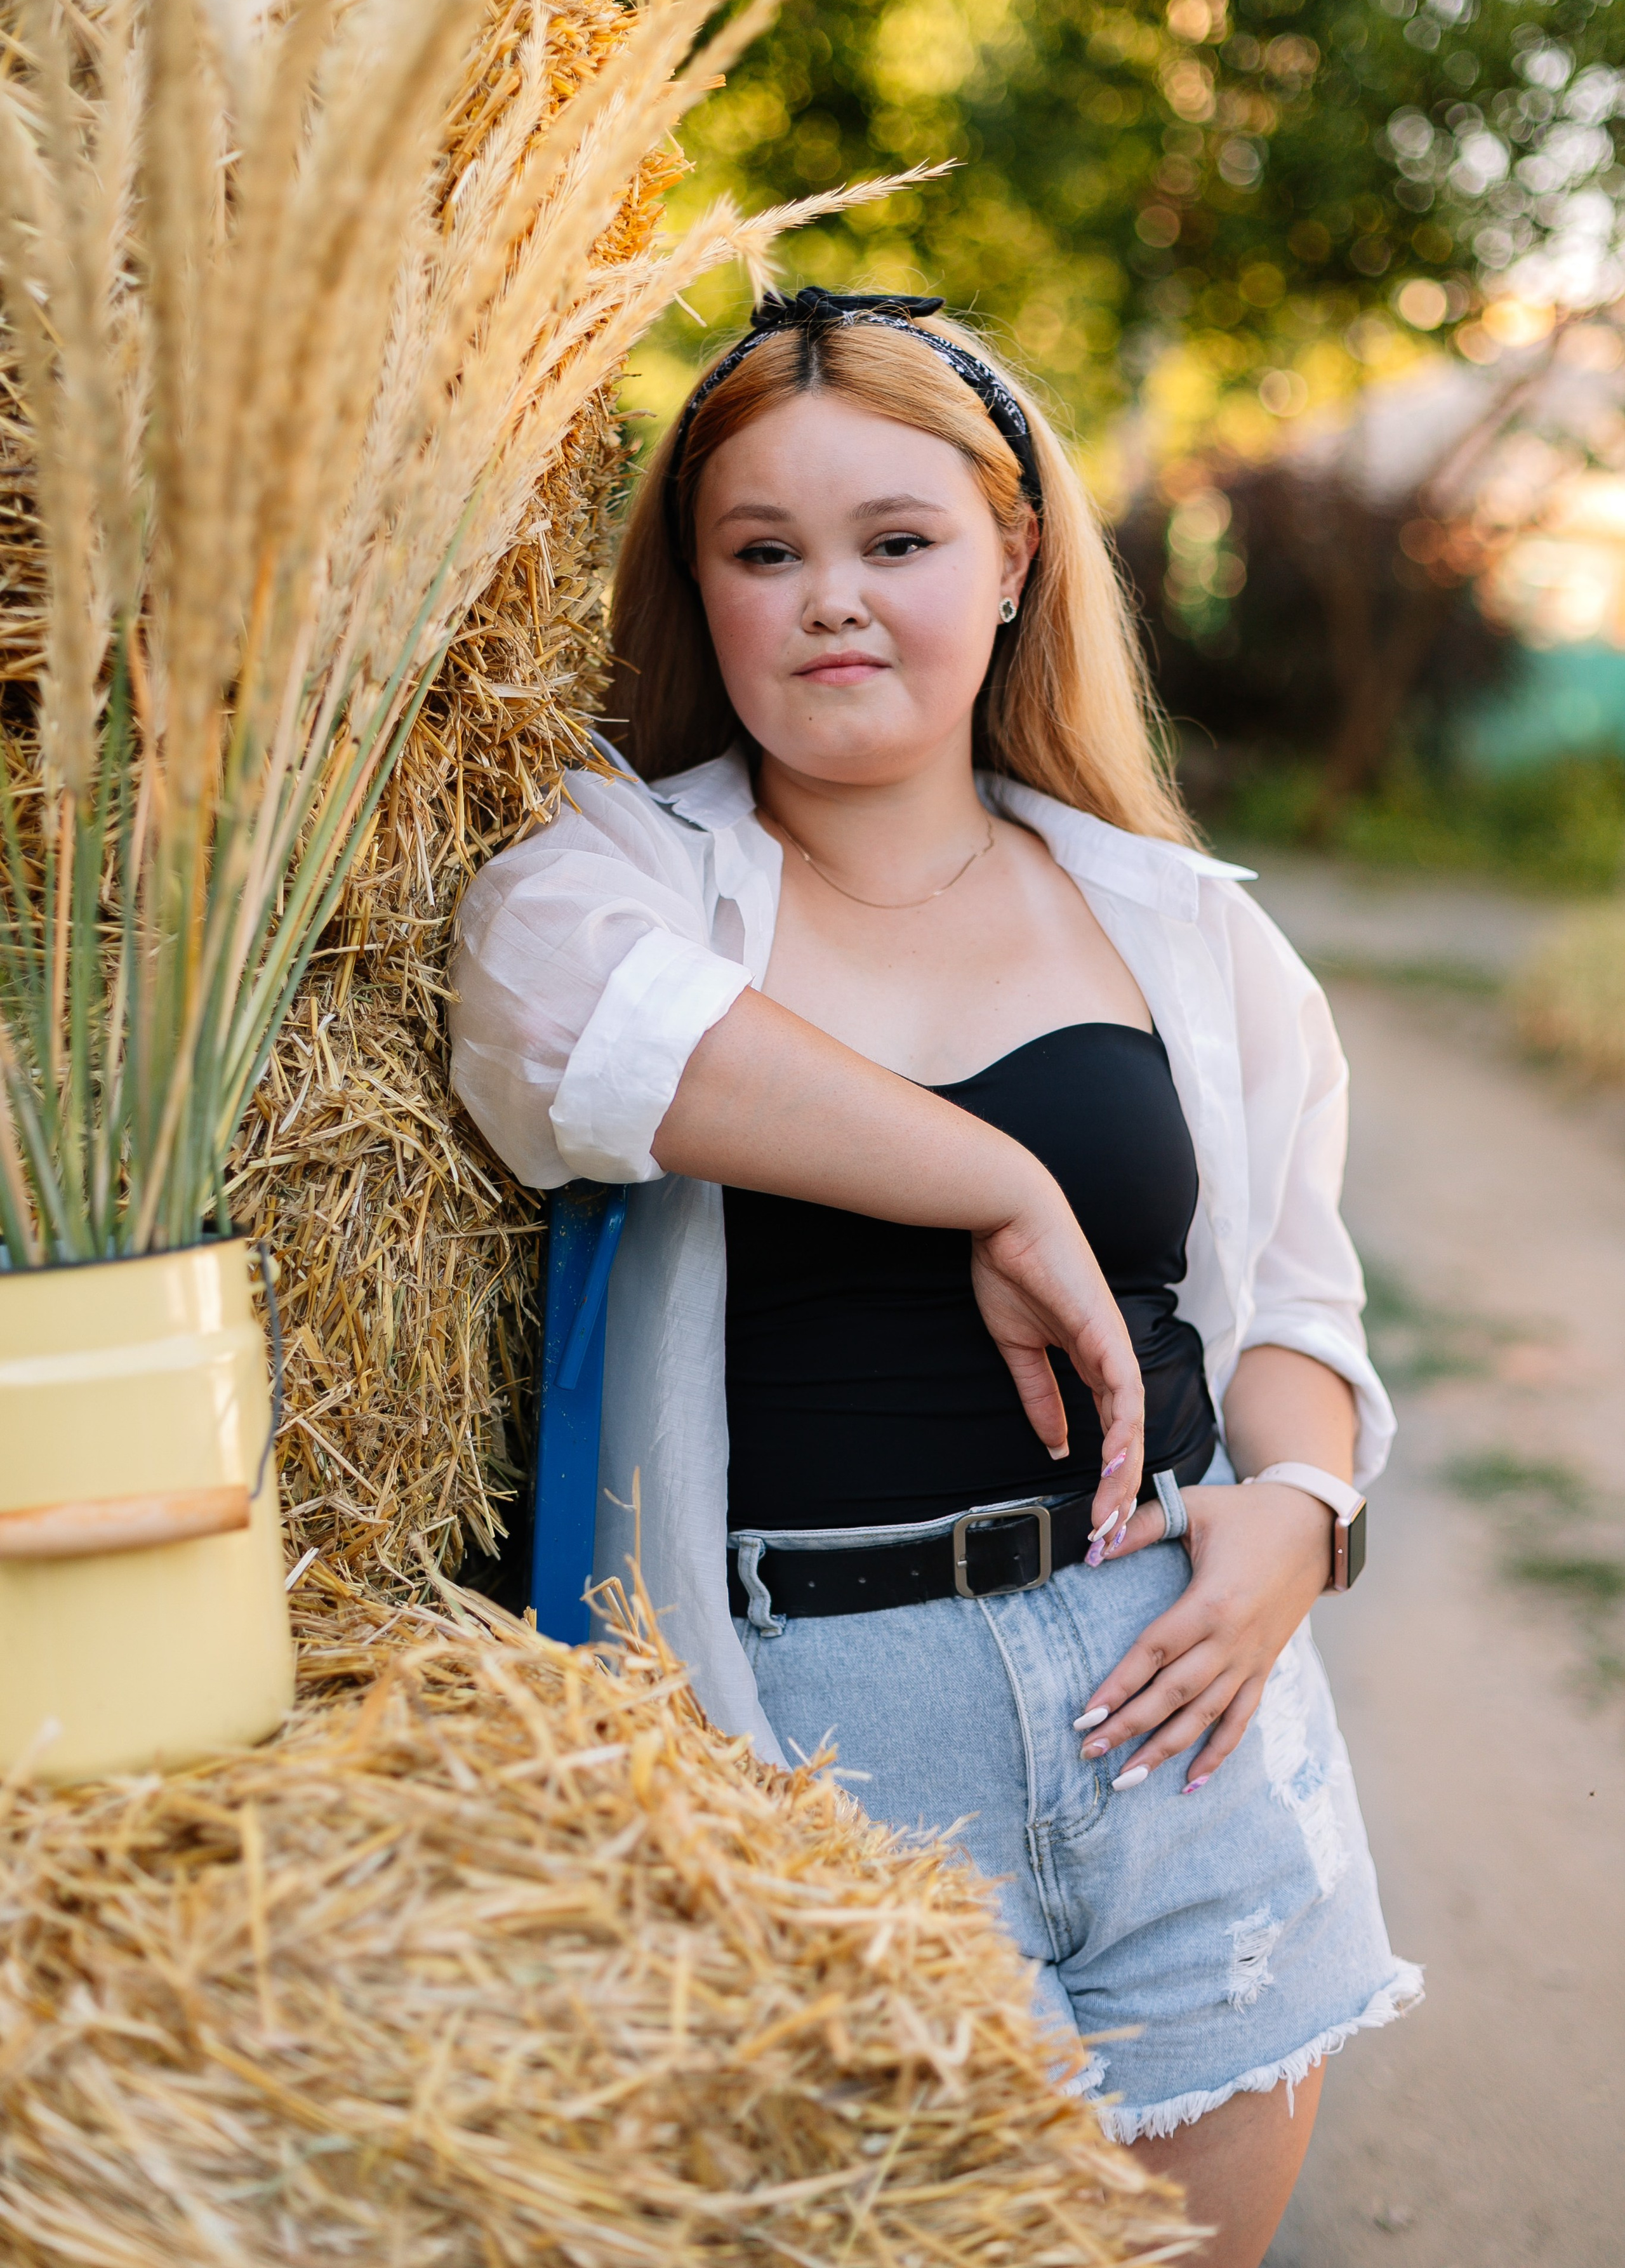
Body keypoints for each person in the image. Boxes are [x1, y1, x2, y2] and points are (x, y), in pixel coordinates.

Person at [449, 288, 1421, 2267]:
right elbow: (557, 1034)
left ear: (1013, 560)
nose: (831, 601)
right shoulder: (612, 873)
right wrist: (991, 1181)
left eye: (896, 542)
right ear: (700, 590)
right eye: (764, 552)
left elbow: (1302, 1312)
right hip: (816, 1742)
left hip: (1181, 1708)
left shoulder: (1177, 925)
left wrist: (1303, 1517)